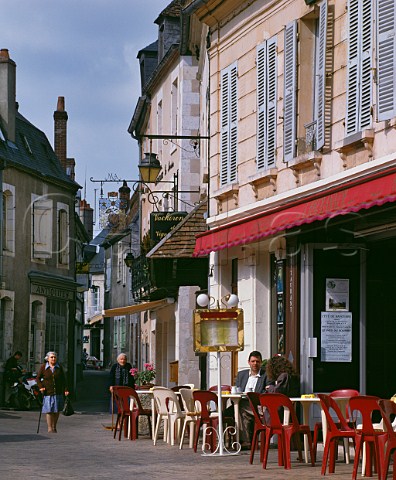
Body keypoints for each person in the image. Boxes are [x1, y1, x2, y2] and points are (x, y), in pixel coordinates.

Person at [233, 350, 274, 448]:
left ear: (260, 362)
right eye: (253, 361)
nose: (255, 364)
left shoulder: (266, 375)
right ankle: (244, 441)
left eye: (257, 361)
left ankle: (245, 442)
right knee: (236, 410)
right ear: (249, 362)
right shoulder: (241, 375)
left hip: (259, 406)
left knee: (240, 409)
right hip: (243, 402)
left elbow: (268, 391)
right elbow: (237, 389)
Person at [37, 351, 69, 433]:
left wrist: (66, 389)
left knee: (56, 410)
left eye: (54, 357)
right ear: (48, 359)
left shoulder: (59, 367)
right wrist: (41, 387)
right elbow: (38, 378)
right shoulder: (44, 367)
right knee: (49, 410)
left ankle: (54, 426)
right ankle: (49, 428)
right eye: (51, 357)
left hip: (58, 392)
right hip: (48, 392)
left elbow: (64, 380)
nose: (53, 359)